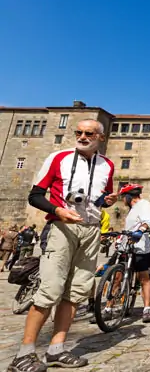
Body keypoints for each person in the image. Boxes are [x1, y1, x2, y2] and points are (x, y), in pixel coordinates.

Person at [8, 119, 116, 372]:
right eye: (78, 132)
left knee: (77, 290)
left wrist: (108, 200)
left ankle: (57, 349)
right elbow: (35, 195)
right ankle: (24, 353)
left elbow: (102, 200)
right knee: (50, 288)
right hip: (61, 227)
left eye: (89, 133)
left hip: (91, 230)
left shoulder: (107, 165)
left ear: (100, 137)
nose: (82, 136)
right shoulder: (59, 158)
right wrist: (58, 209)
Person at [118, 183, 150, 323]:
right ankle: (108, 308)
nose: (122, 200)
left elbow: (149, 220)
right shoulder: (132, 209)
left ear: (129, 197)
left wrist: (140, 230)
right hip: (125, 245)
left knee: (143, 277)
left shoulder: (144, 204)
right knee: (117, 275)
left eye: (123, 197)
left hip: (139, 245)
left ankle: (147, 309)